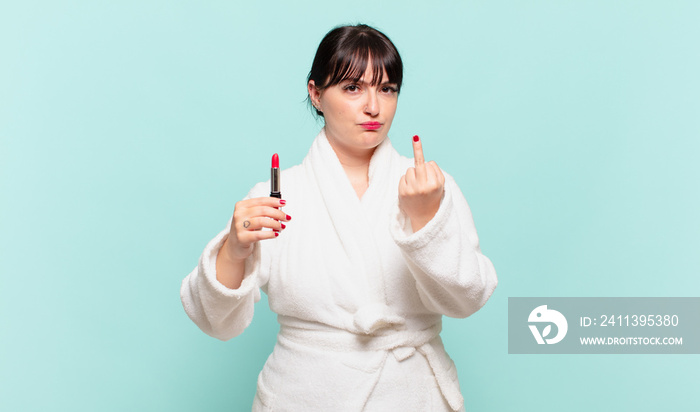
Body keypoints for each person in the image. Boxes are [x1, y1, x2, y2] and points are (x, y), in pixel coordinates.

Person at [180, 24, 498, 412]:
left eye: (387, 89)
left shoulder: (428, 187)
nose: (373, 107)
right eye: (352, 87)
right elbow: (215, 321)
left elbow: (469, 299)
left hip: (411, 394)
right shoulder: (275, 197)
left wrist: (425, 220)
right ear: (316, 93)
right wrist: (232, 250)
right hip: (307, 395)